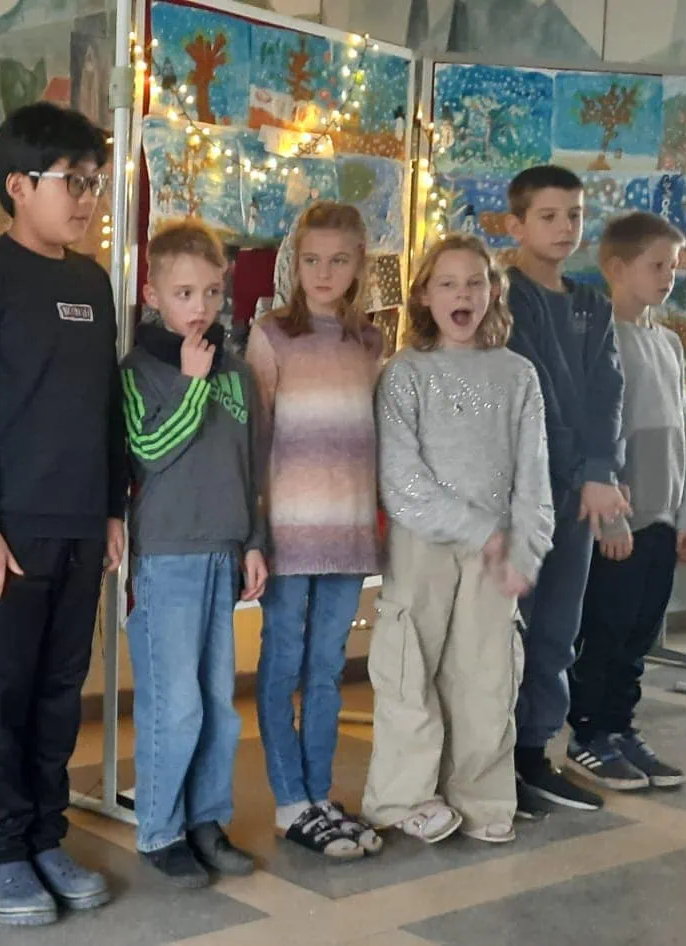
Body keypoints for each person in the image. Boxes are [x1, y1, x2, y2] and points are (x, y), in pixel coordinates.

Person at [0, 101, 127, 926]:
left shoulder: (92, 282)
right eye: (71, 182)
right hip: (5, 534)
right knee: (3, 696)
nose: (86, 199)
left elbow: (106, 407)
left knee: (60, 692)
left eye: (94, 183)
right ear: (18, 185)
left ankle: (48, 835)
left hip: (83, 524)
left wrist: (113, 508)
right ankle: (3, 846)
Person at [362, 234, 553, 846]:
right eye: (447, 284)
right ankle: (403, 797)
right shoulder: (405, 374)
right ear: (425, 294)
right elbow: (400, 478)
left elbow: (534, 476)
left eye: (474, 282)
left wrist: (523, 549)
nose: (461, 295)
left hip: (497, 553)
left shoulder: (518, 376)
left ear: (493, 291)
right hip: (424, 544)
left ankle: (481, 797)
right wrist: (480, 531)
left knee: (487, 676)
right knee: (408, 669)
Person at [119, 218, 266, 887]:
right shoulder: (139, 370)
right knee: (173, 705)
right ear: (154, 294)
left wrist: (253, 542)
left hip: (222, 553)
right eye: (183, 294)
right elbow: (149, 451)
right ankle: (161, 828)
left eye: (210, 292)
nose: (199, 307)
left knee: (218, 705)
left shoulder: (237, 372)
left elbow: (250, 464)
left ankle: (207, 818)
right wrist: (190, 381)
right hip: (167, 556)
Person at [244, 203, 385, 859]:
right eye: (311, 260)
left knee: (327, 669)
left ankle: (320, 795)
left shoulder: (369, 343)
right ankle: (289, 799)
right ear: (294, 264)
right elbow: (255, 439)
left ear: (359, 266)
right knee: (282, 664)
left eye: (339, 260)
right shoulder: (271, 335)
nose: (324, 272)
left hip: (349, 535)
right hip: (289, 534)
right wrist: (255, 531)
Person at [503, 165, 629, 816]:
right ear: (516, 224)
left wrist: (600, 472)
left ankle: (534, 754)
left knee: (557, 625)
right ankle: (492, 759)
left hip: (578, 494)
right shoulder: (505, 297)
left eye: (574, 215)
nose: (564, 228)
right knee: (510, 628)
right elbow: (538, 393)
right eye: (548, 216)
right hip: (523, 489)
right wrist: (585, 469)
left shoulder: (592, 303)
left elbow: (607, 391)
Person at [565, 212, 686, 792]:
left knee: (640, 634)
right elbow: (594, 437)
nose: (668, 276)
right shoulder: (598, 340)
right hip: (619, 522)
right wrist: (611, 519)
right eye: (656, 265)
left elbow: (683, 437)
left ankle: (620, 727)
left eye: (673, 266)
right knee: (606, 629)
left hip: (662, 519)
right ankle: (587, 735)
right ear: (617, 268)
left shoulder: (668, 343)